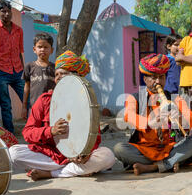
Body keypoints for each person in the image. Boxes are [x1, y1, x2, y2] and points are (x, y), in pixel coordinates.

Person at [9, 51, 116, 181]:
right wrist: (50, 131)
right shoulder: (45, 100)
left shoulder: (85, 102)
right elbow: (27, 133)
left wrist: (85, 154)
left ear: (76, 77)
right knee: (13, 153)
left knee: (108, 156)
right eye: (56, 74)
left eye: (63, 73)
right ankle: (71, 170)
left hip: (76, 158)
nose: (58, 77)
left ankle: (50, 173)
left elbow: (95, 137)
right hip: (49, 155)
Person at [113, 54, 192, 176]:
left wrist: (179, 117)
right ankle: (168, 164)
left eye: (161, 77)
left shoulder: (174, 98)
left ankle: (153, 167)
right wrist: (149, 122)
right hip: (144, 149)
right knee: (119, 149)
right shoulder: (135, 98)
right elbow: (129, 115)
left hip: (170, 148)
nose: (158, 82)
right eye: (154, 78)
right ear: (145, 79)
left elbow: (190, 117)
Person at [0, 0, 25, 134]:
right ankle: (10, 134)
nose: (7, 14)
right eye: (3, 11)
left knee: (28, 100)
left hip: (18, 71)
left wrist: (23, 71)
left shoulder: (18, 30)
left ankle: (35, 128)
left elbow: (19, 51)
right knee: (6, 106)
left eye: (9, 11)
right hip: (1, 72)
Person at [21, 33, 56, 119]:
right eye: (39, 47)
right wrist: (24, 106)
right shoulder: (29, 66)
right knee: (34, 129)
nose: (42, 50)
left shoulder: (55, 68)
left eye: (46, 47)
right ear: (34, 49)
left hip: (50, 107)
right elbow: (27, 86)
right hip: (34, 107)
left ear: (51, 50)